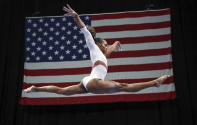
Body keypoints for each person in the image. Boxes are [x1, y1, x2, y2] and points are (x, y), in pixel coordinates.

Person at [24, 4, 169, 95]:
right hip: (93, 81)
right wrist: (76, 16)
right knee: (123, 86)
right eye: (104, 44)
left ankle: (36, 88)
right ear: (98, 44)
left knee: (62, 91)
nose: (106, 46)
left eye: (106, 45)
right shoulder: (93, 46)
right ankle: (154, 83)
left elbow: (110, 50)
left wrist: (117, 43)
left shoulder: (103, 55)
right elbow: (85, 32)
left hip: (89, 82)